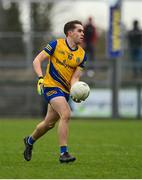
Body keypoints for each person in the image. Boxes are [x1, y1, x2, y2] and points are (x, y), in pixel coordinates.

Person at [23, 20, 87, 163]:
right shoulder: (56, 44)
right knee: (66, 114)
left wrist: (76, 91)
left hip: (64, 91)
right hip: (50, 86)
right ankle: (64, 153)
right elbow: (37, 60)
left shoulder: (82, 55)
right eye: (79, 31)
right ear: (70, 33)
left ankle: (29, 141)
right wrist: (40, 78)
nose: (82, 33)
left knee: (48, 124)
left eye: (83, 31)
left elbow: (75, 78)